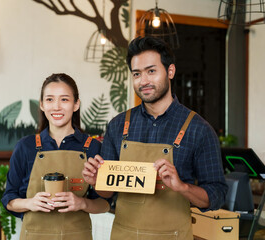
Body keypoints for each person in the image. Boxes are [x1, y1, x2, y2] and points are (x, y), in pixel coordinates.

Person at [82, 37, 228, 240]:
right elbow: (107, 193)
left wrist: (182, 187)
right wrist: (98, 182)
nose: (143, 81)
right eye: (137, 74)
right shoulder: (117, 125)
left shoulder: (199, 129)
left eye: (151, 71)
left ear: (170, 71)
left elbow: (217, 195)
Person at [2, 73, 110, 240]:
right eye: (50, 99)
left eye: (64, 99)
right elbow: (9, 199)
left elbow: (104, 203)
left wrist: (82, 203)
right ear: (42, 105)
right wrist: (30, 203)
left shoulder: (93, 147)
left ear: (76, 104)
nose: (56, 107)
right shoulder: (26, 146)